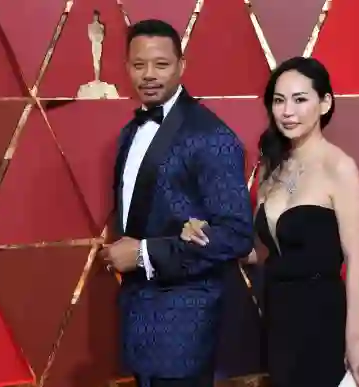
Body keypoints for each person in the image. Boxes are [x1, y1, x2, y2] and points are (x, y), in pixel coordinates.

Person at [180, 57, 359, 387]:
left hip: (322, 315)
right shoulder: (271, 169)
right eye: (279, 100)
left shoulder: (340, 167)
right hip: (278, 315)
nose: (288, 111)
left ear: (325, 103)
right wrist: (207, 237)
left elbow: (357, 259)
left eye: (300, 100)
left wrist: (355, 338)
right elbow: (261, 253)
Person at [98, 19, 254, 387]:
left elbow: (235, 235)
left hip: (186, 323)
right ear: (126, 68)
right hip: (139, 318)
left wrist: (142, 254)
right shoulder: (129, 132)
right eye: (139, 65)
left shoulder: (212, 136)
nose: (149, 75)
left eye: (161, 64)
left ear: (182, 66)